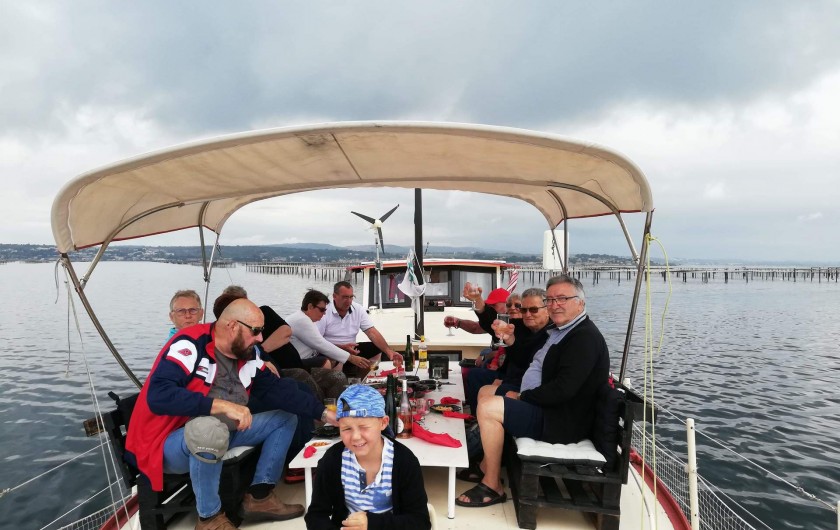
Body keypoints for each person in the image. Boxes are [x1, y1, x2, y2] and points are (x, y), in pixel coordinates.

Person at [125, 298, 338, 530]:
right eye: (256, 331)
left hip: (220, 433)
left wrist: (325, 414)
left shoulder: (247, 353)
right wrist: (221, 405)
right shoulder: (189, 344)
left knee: (285, 418)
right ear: (232, 326)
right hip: (166, 444)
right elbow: (159, 395)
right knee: (208, 428)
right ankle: (209, 518)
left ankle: (260, 496)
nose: (260, 338)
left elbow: (277, 390)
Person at [456, 274, 609, 508]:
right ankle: (488, 465)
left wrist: (522, 396)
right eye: (551, 299)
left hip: (560, 421)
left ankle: (492, 484)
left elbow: (564, 389)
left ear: (580, 302)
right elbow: (502, 332)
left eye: (562, 298)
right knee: (488, 394)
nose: (555, 304)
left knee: (488, 407)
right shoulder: (563, 330)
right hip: (551, 409)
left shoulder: (584, 338)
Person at [305, 384, 431, 530]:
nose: (356, 437)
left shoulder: (404, 461)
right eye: (346, 429)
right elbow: (315, 516)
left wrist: (371, 524)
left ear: (383, 423)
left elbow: (420, 522)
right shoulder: (333, 460)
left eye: (364, 427)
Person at [316, 281, 403, 377]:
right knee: (331, 359)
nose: (349, 301)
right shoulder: (324, 311)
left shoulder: (358, 309)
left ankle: (363, 379)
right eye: (345, 297)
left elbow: (371, 332)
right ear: (334, 296)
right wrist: (340, 348)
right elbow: (317, 341)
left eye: (351, 297)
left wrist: (389, 351)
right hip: (330, 350)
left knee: (375, 348)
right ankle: (338, 379)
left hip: (352, 349)